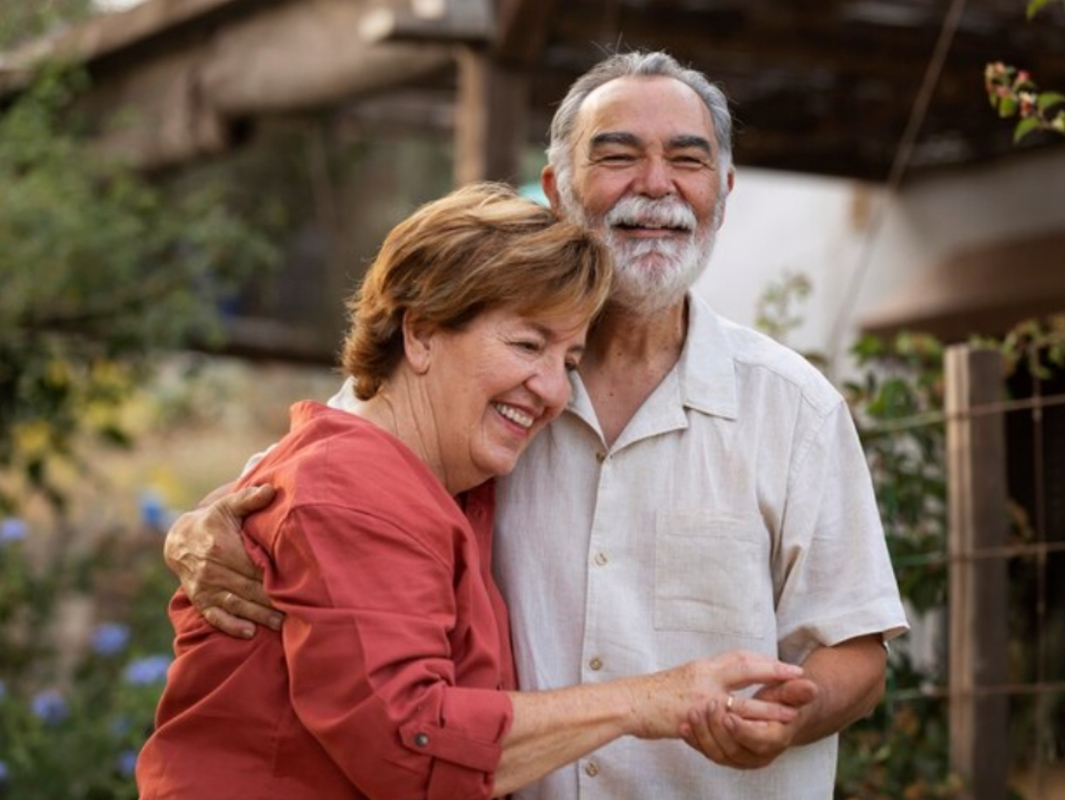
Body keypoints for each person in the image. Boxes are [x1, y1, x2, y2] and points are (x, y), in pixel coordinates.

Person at [165, 52, 909, 800]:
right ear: (558, 189)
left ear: (723, 191)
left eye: (687, 160)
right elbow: (322, 476)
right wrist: (197, 528)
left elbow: (855, 651)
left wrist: (787, 716)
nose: (656, 184)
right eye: (617, 156)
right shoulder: (475, 392)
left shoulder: (794, 408)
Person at [137, 182, 807, 800]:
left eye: (568, 361)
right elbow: (413, 747)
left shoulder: (449, 473)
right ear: (421, 332)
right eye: (526, 345)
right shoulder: (350, 488)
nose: (553, 388)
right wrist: (647, 701)